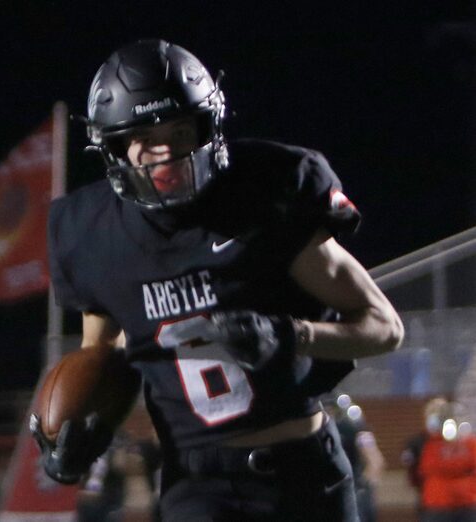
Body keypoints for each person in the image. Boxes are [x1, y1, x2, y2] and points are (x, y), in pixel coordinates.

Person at [33, 39, 404, 521]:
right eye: (145, 135)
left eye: (182, 129)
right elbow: (105, 361)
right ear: (115, 146)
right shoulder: (92, 233)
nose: (166, 151)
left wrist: (287, 335)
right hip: (199, 484)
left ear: (210, 126)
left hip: (305, 472)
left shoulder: (266, 194)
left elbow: (384, 328)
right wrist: (82, 434)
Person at [414, 400, 476, 522]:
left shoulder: (469, 443)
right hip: (438, 501)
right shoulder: (428, 442)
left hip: (466, 501)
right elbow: (424, 469)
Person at [328, 394, 386, 522]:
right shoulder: (354, 429)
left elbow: (375, 461)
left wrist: (362, 486)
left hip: (347, 491)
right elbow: (376, 461)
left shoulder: (353, 429)